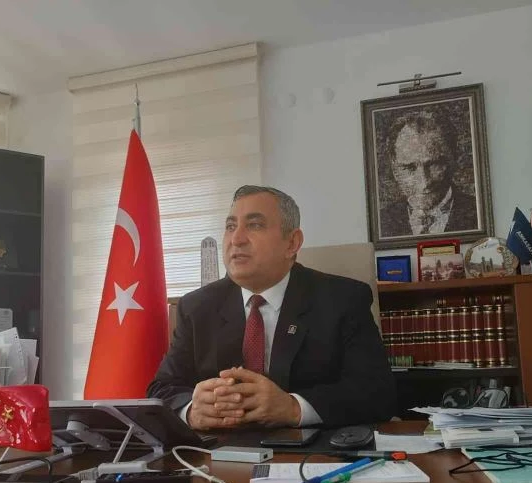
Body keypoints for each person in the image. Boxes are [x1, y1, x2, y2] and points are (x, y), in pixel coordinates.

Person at [147, 185, 396, 430]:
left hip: (309, 449)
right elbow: (162, 389)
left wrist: (293, 407)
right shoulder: (196, 307)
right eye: (230, 226)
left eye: (254, 225)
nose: (236, 239)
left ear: (292, 243)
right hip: (220, 449)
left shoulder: (343, 299)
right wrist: (191, 410)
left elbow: (377, 392)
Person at [379, 110, 478, 237]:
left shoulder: (478, 213)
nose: (424, 182)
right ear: (394, 169)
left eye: (433, 164)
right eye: (409, 168)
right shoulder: (382, 221)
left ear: (453, 160)